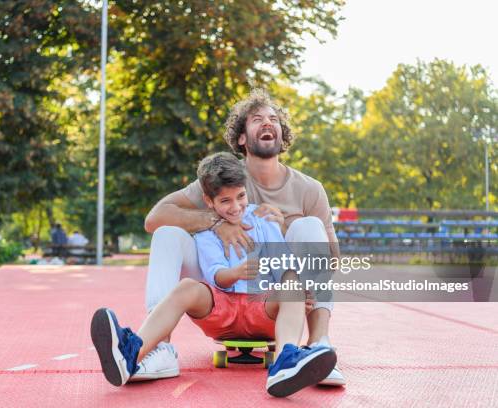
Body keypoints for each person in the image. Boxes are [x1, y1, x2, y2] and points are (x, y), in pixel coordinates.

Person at [140, 89, 345, 386]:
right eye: (257, 118)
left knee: (309, 227)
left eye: (274, 119)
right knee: (168, 234)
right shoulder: (223, 181)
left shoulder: (310, 189)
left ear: (281, 133)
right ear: (241, 137)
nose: (267, 123)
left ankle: (318, 347)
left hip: (279, 298)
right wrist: (214, 221)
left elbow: (333, 259)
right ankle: (158, 348)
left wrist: (284, 231)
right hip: (220, 291)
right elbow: (153, 219)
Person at [91, 152, 336, 398]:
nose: (236, 206)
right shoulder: (208, 232)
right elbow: (216, 276)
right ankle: (133, 352)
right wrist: (236, 272)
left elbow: (283, 266)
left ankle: (286, 362)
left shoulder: (263, 218)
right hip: (223, 309)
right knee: (187, 287)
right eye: (225, 201)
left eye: (241, 196)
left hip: (261, 306)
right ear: (209, 202)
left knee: (292, 286)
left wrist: (296, 289)